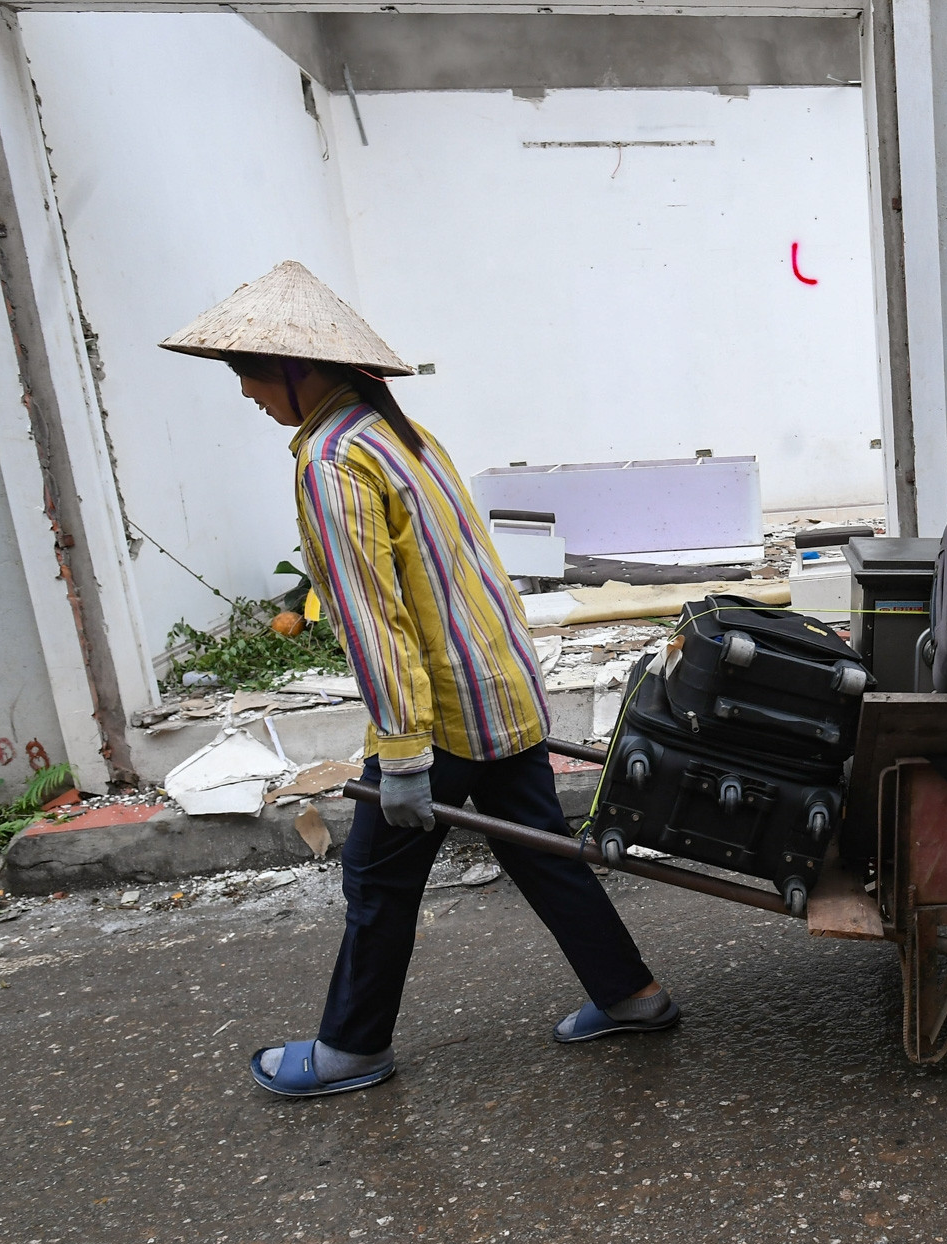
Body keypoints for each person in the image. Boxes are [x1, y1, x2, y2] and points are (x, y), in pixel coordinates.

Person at [160, 261, 678, 1098]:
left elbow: (374, 616)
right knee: (544, 857)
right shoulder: (395, 430)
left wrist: (400, 755)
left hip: (438, 717)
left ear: (297, 373)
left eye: (252, 378)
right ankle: (634, 997)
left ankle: (352, 1049)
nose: (249, 396)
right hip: (500, 692)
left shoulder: (332, 459)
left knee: (376, 878)